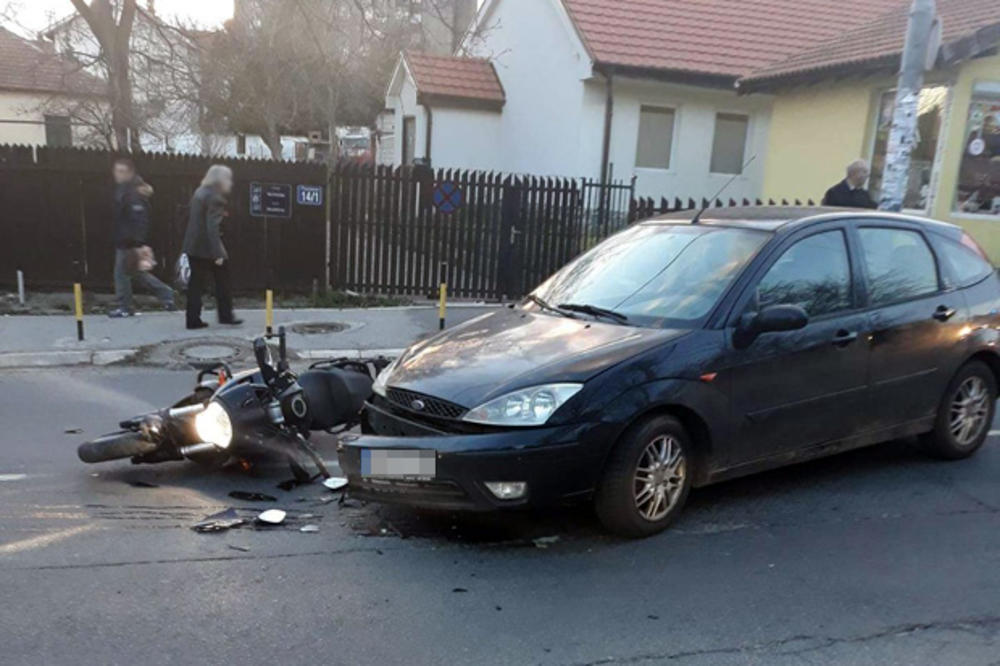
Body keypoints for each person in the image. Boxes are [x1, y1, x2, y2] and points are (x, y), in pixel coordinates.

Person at [109, 157, 175, 318]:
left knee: (122, 274)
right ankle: (166, 294)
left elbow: (139, 219)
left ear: (130, 173)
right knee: (135, 273)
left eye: (121, 171)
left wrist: (137, 242)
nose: (117, 174)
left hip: (129, 241)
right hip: (126, 239)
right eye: (116, 170)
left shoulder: (133, 193)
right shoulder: (125, 190)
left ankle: (124, 307)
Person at [182, 164, 242, 329]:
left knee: (196, 283)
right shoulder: (216, 198)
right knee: (223, 280)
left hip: (193, 245)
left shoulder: (199, 193)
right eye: (228, 179)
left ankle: (192, 319)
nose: (230, 182)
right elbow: (212, 227)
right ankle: (225, 315)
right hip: (207, 247)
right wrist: (218, 254)